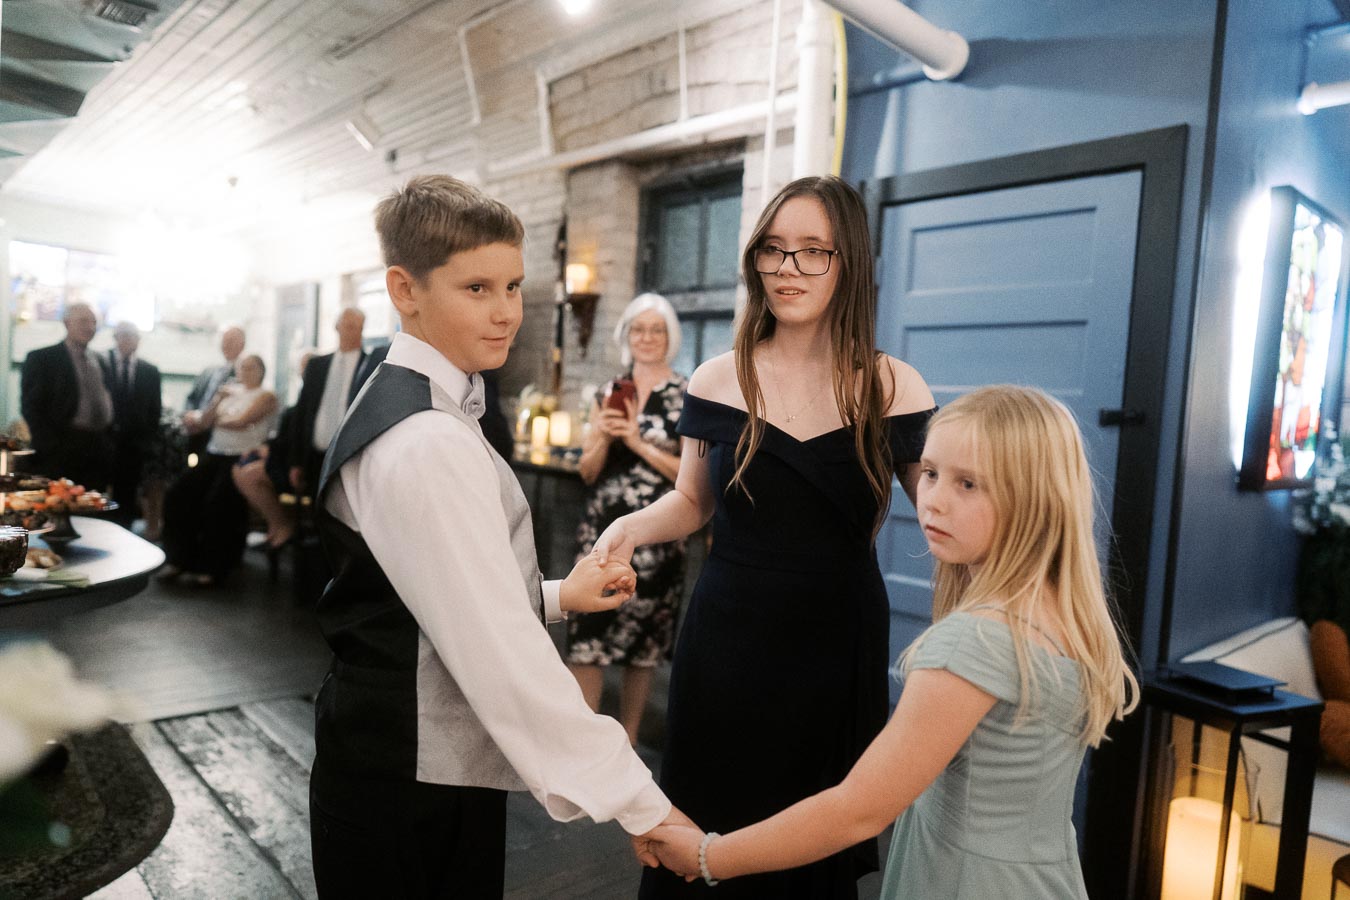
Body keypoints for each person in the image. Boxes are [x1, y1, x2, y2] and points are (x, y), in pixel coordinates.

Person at [307, 174, 690, 899]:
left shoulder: (415, 400)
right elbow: (498, 654)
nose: (507, 312)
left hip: (412, 762)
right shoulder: (425, 439)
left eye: (513, 287)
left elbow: (426, 593)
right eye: (477, 288)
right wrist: (643, 803)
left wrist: (555, 595)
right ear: (405, 289)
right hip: (407, 780)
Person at [646, 386, 1141, 900]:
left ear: (1036, 498)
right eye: (929, 473)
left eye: (968, 484)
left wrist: (709, 856)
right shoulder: (1070, 618)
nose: (934, 500)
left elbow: (859, 810)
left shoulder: (974, 643)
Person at [594, 175, 937, 899]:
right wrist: (630, 525)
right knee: (705, 824)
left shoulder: (892, 386)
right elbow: (692, 502)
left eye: (814, 251)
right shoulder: (721, 378)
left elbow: (942, 512)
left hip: (834, 646)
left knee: (812, 848)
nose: (788, 268)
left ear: (851, 263)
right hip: (727, 640)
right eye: (774, 251)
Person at [568, 292, 688, 745]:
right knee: (587, 636)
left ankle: (629, 741)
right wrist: (601, 433)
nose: (647, 338)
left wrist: (636, 441)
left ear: (669, 338)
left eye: (657, 330)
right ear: (626, 335)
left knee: (643, 647)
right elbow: (587, 470)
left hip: (659, 536)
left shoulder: (687, 394)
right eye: (639, 329)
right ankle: (584, 744)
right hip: (601, 527)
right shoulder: (609, 391)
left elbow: (690, 478)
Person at [161, 354, 278, 586]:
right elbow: (202, 422)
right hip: (215, 453)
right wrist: (216, 403)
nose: (245, 371)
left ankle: (212, 568)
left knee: (217, 503)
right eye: (242, 367)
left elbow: (241, 421)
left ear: (261, 371)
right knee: (178, 493)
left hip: (242, 457)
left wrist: (214, 418)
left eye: (251, 367)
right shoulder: (227, 392)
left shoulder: (266, 395)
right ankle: (178, 559)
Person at [21, 302, 114, 488]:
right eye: (83, 321)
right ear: (66, 323)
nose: (89, 327)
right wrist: (49, 445)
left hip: (96, 448)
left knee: (91, 507)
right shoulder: (43, 359)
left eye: (94, 322)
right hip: (61, 447)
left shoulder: (101, 360)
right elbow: (32, 407)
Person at [232, 350, 316, 550]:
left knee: (250, 474)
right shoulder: (303, 399)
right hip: (287, 458)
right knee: (239, 469)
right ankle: (276, 525)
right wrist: (267, 448)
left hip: (303, 465)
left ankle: (282, 525)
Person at [289, 308, 377, 498]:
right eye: (346, 326)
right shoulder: (317, 365)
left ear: (362, 329)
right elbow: (302, 412)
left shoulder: (371, 366)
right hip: (315, 455)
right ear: (336, 328)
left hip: (349, 458)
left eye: (355, 327)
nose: (349, 331)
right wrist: (296, 461)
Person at [105, 321, 163, 527]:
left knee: (127, 494)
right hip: (105, 441)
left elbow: (154, 410)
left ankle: (124, 532)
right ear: (115, 338)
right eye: (123, 336)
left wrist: (148, 442)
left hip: (135, 444)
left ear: (138, 340)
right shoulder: (102, 363)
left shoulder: (150, 371)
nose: (127, 340)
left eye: (132, 336)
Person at [183, 325, 246, 454]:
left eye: (231, 341)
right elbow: (191, 398)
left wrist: (204, 421)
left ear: (242, 344)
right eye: (224, 341)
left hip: (220, 437)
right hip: (195, 433)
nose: (226, 345)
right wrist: (188, 415)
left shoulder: (243, 376)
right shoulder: (209, 372)